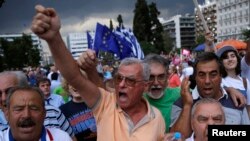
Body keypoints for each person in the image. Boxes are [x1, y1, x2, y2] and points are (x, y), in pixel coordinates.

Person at [31, 5, 166, 141]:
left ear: (145, 85)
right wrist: (54, 38)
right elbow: (74, 77)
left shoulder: (157, 117)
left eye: (130, 80)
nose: (122, 84)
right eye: (119, 78)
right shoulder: (106, 104)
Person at [170, 52, 250, 139]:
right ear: (195, 77)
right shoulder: (182, 104)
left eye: (213, 74)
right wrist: (187, 106)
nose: (207, 81)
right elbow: (176, 138)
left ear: (221, 76)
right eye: (201, 75)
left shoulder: (237, 101)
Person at [0, 71, 75, 139]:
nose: (3, 98)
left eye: (9, 91)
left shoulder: (54, 113)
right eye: (18, 109)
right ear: (7, 114)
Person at [143, 53, 181, 133]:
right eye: (151, 77)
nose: (156, 83)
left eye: (161, 77)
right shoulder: (135, 99)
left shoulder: (180, 94)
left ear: (167, 77)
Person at [60, 73, 97, 141]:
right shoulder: (63, 110)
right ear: (67, 87)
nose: (75, 86)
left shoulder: (97, 102)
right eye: (71, 83)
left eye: (78, 82)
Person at [216, 45, 250, 118]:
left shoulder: (245, 82)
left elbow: (248, 108)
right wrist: (229, 90)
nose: (230, 59)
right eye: (225, 57)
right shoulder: (218, 80)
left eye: (232, 56)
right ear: (221, 62)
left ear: (237, 60)